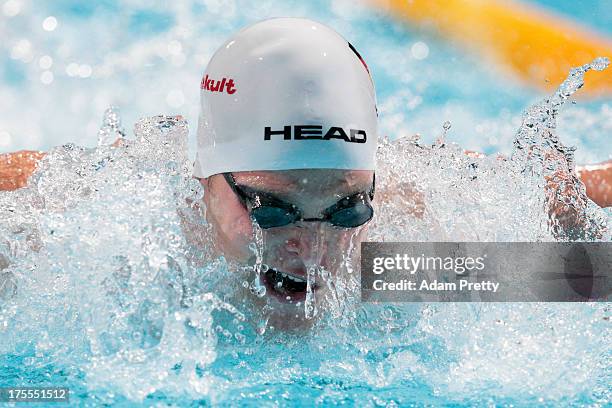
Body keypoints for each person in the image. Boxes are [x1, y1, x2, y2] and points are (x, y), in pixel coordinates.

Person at [0, 18, 611, 315]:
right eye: (271, 210)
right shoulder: (107, 249)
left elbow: (569, 212)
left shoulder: (402, 265)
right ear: (205, 182)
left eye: (347, 208)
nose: (311, 248)